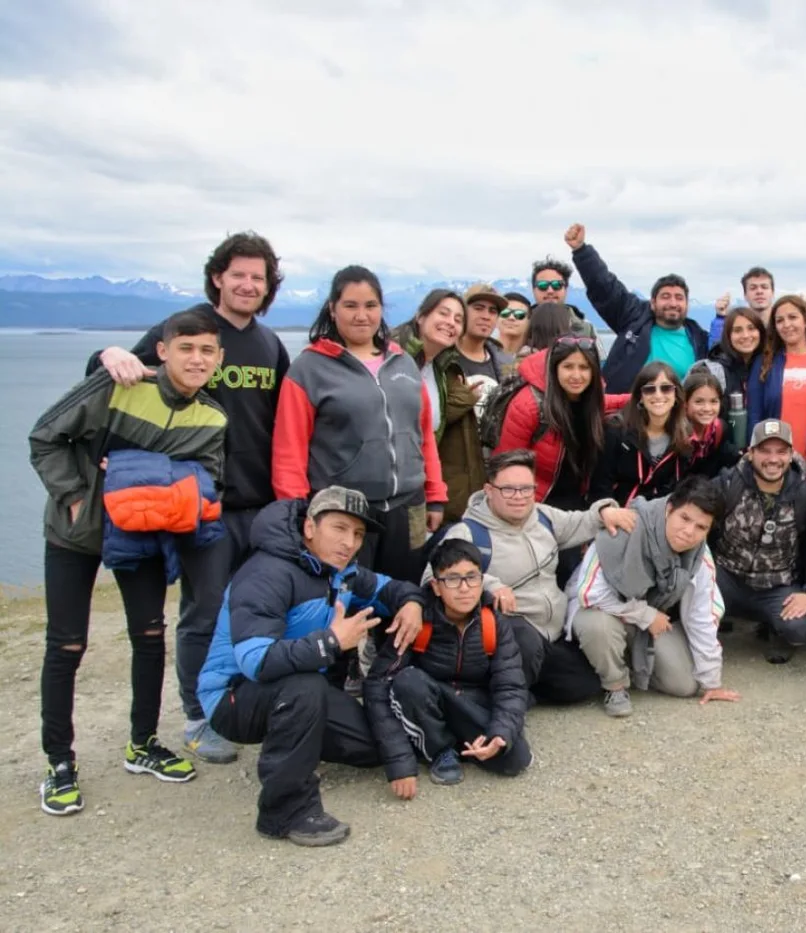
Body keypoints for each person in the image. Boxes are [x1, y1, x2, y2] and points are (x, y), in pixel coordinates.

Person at [90, 231, 288, 764]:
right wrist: (105, 352)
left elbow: (284, 423)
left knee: (259, 609)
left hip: (262, 502)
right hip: (204, 504)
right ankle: (200, 717)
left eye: (258, 277)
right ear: (218, 277)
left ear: (269, 286)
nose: (248, 284)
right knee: (203, 612)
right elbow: (114, 377)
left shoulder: (270, 345)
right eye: (238, 274)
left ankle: (249, 702)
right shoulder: (188, 328)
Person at [30, 311, 229, 815]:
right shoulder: (118, 387)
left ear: (219, 359)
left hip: (142, 533)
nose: (196, 359)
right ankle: (58, 762)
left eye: (207, 351)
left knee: (148, 636)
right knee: (67, 644)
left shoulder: (211, 417)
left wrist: (144, 473)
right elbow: (45, 436)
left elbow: (206, 481)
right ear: (161, 351)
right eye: (186, 348)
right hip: (76, 533)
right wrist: (76, 494)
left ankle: (142, 744)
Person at [196, 488, 426, 846]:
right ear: (309, 528)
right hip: (233, 696)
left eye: (358, 534)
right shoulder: (266, 572)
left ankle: (292, 742)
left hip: (301, 690)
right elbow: (256, 662)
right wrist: (332, 642)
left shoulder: (343, 571)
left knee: (370, 747)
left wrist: (411, 603)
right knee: (304, 687)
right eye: (339, 528)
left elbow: (388, 588)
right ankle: (284, 811)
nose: (349, 542)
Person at [272, 265, 448, 583]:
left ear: (381, 309)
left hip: (408, 507)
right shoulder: (309, 368)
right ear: (332, 309)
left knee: (404, 595)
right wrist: (295, 514)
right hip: (344, 510)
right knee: (347, 598)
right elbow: (289, 450)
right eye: (350, 306)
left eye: (370, 306)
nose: (361, 315)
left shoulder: (403, 362)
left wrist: (435, 494)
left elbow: (423, 436)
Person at [446, 450, 635, 704]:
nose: (519, 497)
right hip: (506, 636)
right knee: (520, 637)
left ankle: (519, 691)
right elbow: (436, 577)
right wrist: (490, 585)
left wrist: (604, 512)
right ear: (489, 490)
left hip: (549, 636)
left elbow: (581, 522)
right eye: (509, 490)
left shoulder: (543, 516)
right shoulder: (467, 532)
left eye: (526, 489)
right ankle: (502, 700)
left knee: (583, 684)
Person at [364, 539, 531, 794]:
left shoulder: (493, 621)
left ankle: (457, 743)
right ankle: (439, 750)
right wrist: (398, 763)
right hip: (428, 702)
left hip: (469, 703)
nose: (464, 588)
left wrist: (501, 733)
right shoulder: (418, 621)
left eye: (472, 577)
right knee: (409, 682)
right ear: (436, 586)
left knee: (514, 758)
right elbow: (378, 684)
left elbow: (510, 684)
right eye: (452, 579)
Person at [567, 476, 739, 717]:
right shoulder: (628, 526)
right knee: (596, 626)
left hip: (648, 621)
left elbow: (703, 613)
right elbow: (589, 594)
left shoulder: (698, 553)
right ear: (669, 509)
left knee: (684, 685)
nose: (689, 532)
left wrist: (711, 680)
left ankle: (631, 663)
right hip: (602, 609)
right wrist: (645, 615)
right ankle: (614, 685)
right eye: (685, 518)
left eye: (701, 527)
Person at [711, 420, 806, 663]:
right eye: (765, 451)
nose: (773, 459)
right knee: (687, 593)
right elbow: (690, 510)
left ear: (791, 455)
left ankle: (774, 627)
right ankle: (708, 623)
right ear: (751, 454)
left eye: (781, 451)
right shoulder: (728, 483)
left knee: (797, 629)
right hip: (726, 577)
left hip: (778, 585)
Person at [564, 223, 708, 391]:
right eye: (665, 297)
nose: (673, 303)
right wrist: (582, 251)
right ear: (652, 303)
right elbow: (605, 287)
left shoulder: (700, 340)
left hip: (675, 414)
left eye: (679, 298)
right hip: (626, 412)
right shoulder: (633, 318)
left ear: (687, 304)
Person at [496, 335, 627, 509]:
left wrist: (652, 395)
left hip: (577, 504)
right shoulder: (528, 405)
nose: (576, 375)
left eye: (584, 367)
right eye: (568, 367)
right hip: (535, 505)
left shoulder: (589, 401)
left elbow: (612, 402)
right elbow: (507, 464)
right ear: (554, 368)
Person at [390, 290, 478, 521]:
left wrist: (435, 497)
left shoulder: (439, 370)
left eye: (458, 320)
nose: (450, 323)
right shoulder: (389, 359)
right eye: (444, 313)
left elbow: (428, 436)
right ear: (421, 316)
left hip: (415, 490)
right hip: (381, 489)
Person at [747, 294, 806, 460]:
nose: (786, 324)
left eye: (792, 317)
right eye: (780, 320)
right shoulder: (764, 362)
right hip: (776, 461)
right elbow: (755, 413)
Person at [592, 362, 691, 506]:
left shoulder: (685, 434)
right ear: (640, 397)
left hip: (662, 518)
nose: (658, 395)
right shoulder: (616, 431)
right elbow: (599, 488)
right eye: (650, 389)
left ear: (676, 395)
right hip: (620, 516)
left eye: (666, 388)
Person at [692, 306, 765, 457]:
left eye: (751, 328)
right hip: (714, 460)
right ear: (728, 335)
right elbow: (694, 419)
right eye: (737, 330)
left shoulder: (767, 368)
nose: (745, 335)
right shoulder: (711, 371)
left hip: (759, 456)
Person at [710, 266, 806, 345]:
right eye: (753, 288)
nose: (759, 291)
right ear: (745, 295)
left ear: (772, 292)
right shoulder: (741, 327)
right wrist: (721, 318)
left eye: (764, 287)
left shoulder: (785, 325)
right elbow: (716, 352)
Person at [681, 370, 740, 478]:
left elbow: (727, 457)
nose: (707, 409)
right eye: (699, 401)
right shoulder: (676, 435)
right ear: (685, 404)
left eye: (713, 401)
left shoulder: (720, 429)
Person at [529, 255, 597, 337]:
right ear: (533, 290)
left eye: (557, 285)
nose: (550, 291)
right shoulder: (519, 325)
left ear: (566, 289)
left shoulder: (586, 328)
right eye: (542, 285)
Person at [495, 291, 532, 363]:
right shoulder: (484, 351)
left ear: (529, 321)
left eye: (519, 314)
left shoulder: (535, 356)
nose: (511, 318)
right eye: (505, 313)